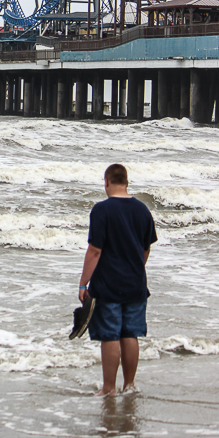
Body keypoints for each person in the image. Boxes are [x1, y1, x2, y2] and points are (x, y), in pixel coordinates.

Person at [78, 163, 157, 396]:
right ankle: (130, 385)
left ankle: (109, 388)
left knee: (110, 334)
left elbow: (95, 250)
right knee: (130, 333)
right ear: (127, 182)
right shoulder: (142, 210)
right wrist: (135, 269)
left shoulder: (102, 210)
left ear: (106, 182)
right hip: (135, 283)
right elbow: (146, 249)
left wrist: (83, 283)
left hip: (108, 284)